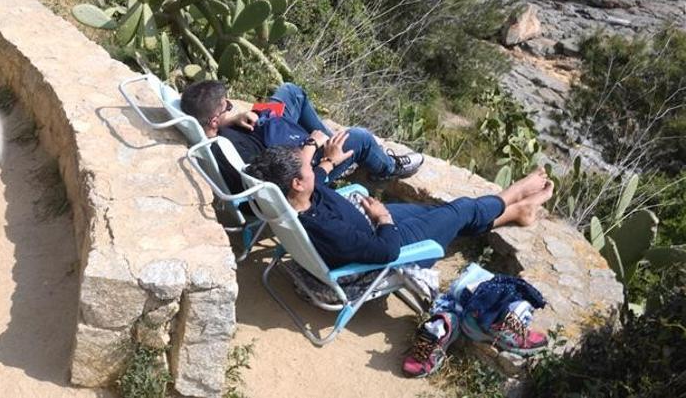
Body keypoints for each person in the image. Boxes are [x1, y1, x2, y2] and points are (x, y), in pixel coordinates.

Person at [245, 145, 554, 268]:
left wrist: (328, 162)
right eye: (307, 168)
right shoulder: (327, 229)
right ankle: (515, 192)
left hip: (368, 221)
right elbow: (386, 252)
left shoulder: (292, 201)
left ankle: (516, 212)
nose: (312, 167)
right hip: (387, 237)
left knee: (441, 216)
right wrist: (383, 218)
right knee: (460, 209)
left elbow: (320, 182)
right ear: (297, 183)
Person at [179, 80, 423, 195]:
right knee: (361, 137)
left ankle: (329, 137)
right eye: (227, 106)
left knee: (291, 92)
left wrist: (232, 119)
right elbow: (285, 177)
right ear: (213, 120)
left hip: (271, 134)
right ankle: (387, 168)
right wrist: (314, 147)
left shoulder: (206, 133)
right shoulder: (234, 154)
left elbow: (215, 125)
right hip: (302, 160)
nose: (231, 107)